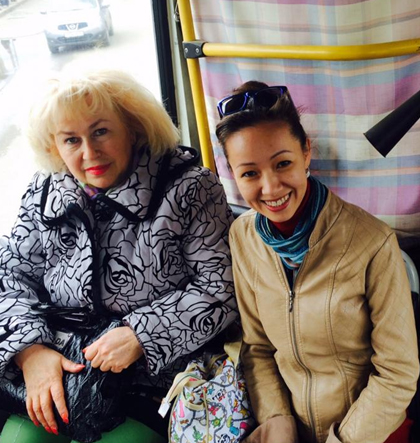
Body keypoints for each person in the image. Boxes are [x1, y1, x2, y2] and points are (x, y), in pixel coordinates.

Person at [0, 69, 237, 442]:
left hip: (151, 375)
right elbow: (10, 275)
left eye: (100, 132)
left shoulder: (189, 187)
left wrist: (142, 334)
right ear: (54, 146)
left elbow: (222, 286)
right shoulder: (45, 190)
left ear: (133, 128)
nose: (89, 153)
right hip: (57, 361)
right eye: (71, 139)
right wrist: (30, 353)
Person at [215, 81, 419, 443]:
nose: (271, 188)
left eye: (283, 164)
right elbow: (258, 349)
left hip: (369, 432)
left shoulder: (373, 243)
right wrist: (277, 421)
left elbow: (397, 374)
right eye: (250, 173)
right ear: (233, 173)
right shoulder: (242, 238)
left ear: (306, 152)